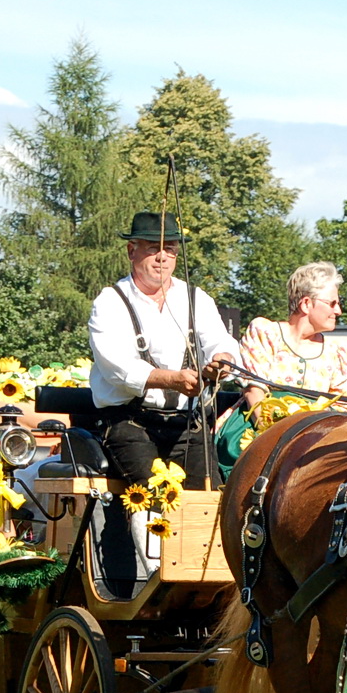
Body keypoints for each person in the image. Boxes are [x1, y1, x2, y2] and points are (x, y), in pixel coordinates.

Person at [87, 211, 241, 494]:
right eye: (153, 248)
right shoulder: (110, 302)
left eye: (169, 249)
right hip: (130, 424)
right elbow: (118, 368)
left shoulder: (196, 298)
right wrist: (172, 380)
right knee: (151, 499)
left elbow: (221, 342)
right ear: (131, 251)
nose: (162, 257)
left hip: (187, 425)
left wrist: (223, 362)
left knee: (210, 503)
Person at [217, 262, 347, 472]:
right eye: (332, 303)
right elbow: (255, 392)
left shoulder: (338, 352)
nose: (338, 310)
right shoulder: (266, 333)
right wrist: (279, 442)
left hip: (314, 440)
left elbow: (342, 408)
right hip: (257, 430)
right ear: (306, 304)